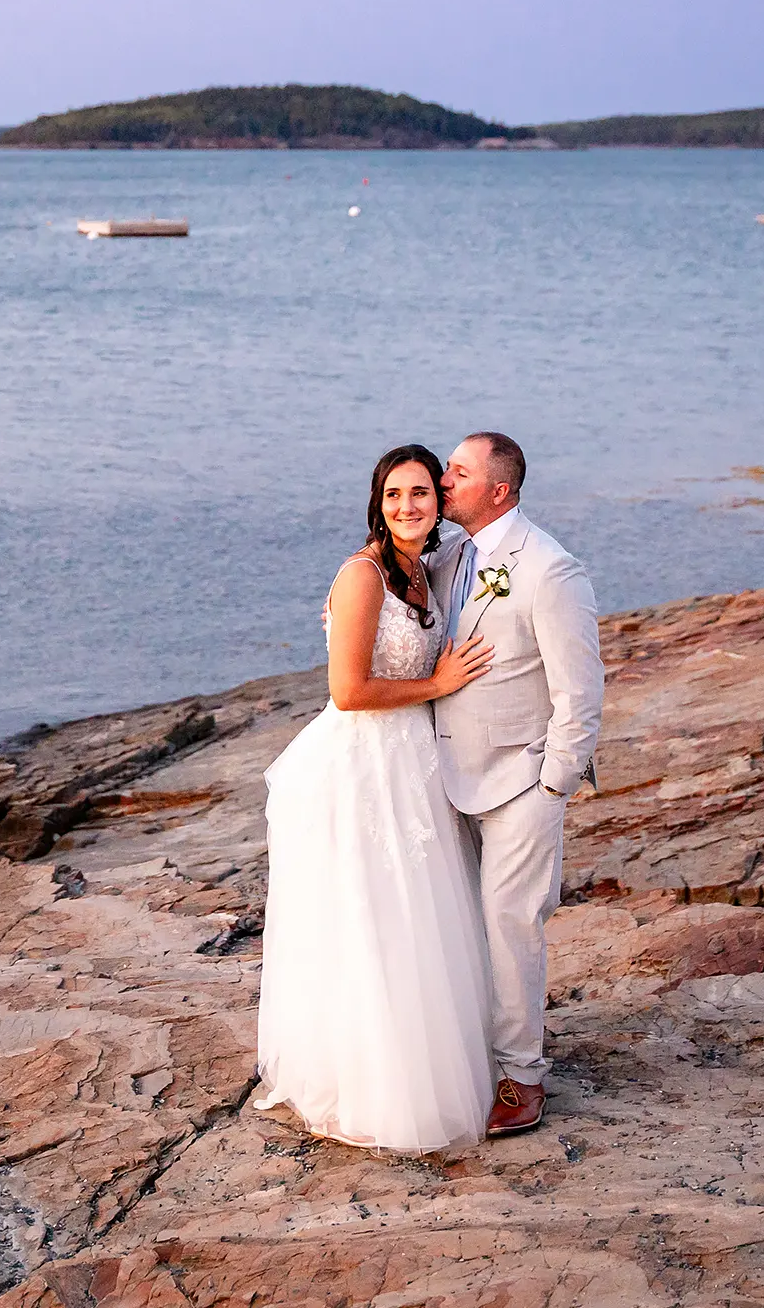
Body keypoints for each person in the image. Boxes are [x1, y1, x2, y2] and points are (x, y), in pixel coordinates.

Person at [253, 444, 498, 1151]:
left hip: (414, 766)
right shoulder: (361, 576)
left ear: (439, 501)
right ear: (377, 502)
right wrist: (438, 684)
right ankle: (377, 1087)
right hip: (361, 767)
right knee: (371, 919)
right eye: (394, 495)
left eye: (420, 492)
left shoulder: (427, 570)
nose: (408, 506)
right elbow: (349, 691)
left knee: (421, 920)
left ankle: (437, 1066)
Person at [425, 432, 603, 1137]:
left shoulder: (551, 570)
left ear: (499, 490)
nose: (444, 481)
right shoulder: (447, 556)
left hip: (521, 781)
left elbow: (580, 693)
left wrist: (552, 784)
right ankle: (470, 1051)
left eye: (458, 473)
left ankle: (522, 1076)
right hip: (446, 774)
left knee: (511, 926)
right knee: (458, 921)